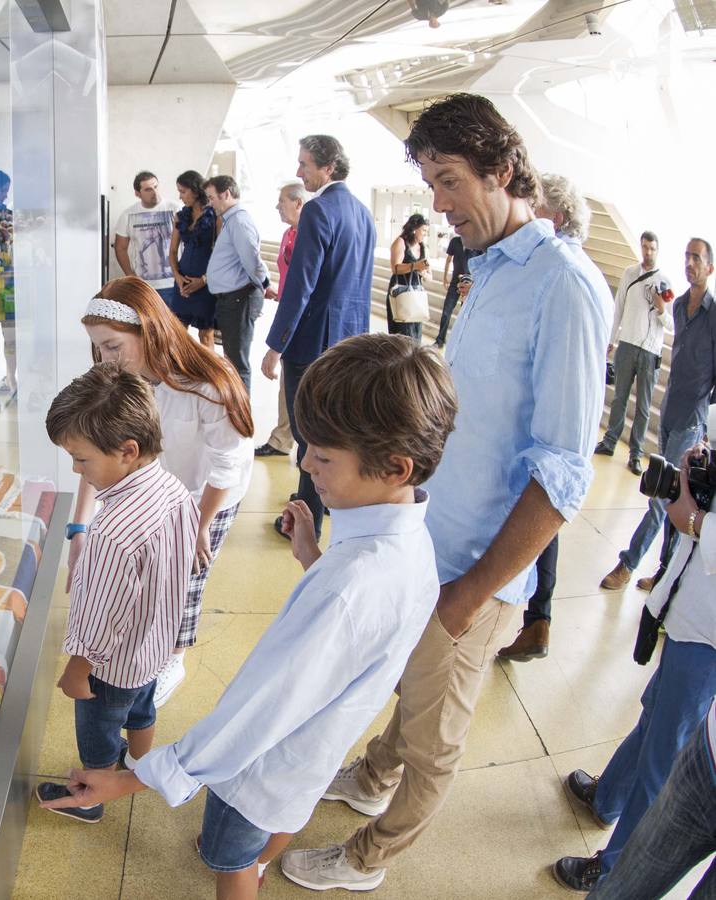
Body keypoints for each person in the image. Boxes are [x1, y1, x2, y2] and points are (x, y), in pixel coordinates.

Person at [280, 93, 611, 892]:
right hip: (431, 543)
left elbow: (564, 470)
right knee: (411, 680)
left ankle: (369, 858)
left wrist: (468, 597)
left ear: (504, 170)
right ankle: (369, 779)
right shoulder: (486, 268)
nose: (438, 203)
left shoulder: (563, 286)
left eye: (451, 180)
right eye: (430, 181)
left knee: (436, 738)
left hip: (476, 569)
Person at [42, 334, 459, 900]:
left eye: (324, 456)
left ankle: (245, 867)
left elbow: (251, 719)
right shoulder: (408, 543)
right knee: (271, 824)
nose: (305, 465)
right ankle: (259, 859)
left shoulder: (350, 588)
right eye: (308, 445)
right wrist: (313, 557)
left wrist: (127, 779)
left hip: (261, 772)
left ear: (394, 467)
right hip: (310, 756)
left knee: (227, 855)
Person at [69, 278, 255, 707]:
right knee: (149, 572)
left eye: (113, 347)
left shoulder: (208, 383)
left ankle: (174, 658)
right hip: (156, 487)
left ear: (149, 330)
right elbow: (92, 452)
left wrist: (200, 527)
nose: (105, 360)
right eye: (99, 348)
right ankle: (143, 644)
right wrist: (79, 527)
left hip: (209, 493)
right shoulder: (118, 381)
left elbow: (226, 466)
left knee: (186, 575)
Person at [35, 362, 198, 824]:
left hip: (108, 670)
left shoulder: (112, 533)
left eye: (81, 459)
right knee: (142, 709)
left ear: (127, 451)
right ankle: (139, 765)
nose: (75, 468)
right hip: (154, 649)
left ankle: (92, 794)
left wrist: (76, 671)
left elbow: (101, 618)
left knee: (99, 731)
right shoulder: (172, 489)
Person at [553, 445, 716, 892]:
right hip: (690, 615)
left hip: (709, 636)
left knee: (665, 755)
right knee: (653, 718)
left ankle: (613, 867)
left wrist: (698, 522)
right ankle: (609, 797)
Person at [499, 172, 604, 662]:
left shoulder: (563, 276)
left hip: (537, 441)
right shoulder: (562, 272)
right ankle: (537, 616)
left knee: (540, 515)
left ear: (554, 218)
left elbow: (562, 466)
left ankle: (536, 616)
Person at [261, 135, 376, 541]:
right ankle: (325, 503)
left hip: (311, 343)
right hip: (349, 339)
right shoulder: (362, 213)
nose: (299, 172)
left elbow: (300, 286)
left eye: (304, 164)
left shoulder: (318, 211)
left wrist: (276, 345)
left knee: (309, 430)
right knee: (337, 428)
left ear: (327, 168)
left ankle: (309, 515)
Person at [601, 238, 716, 592]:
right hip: (668, 413)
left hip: (691, 421)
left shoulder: (714, 315)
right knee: (674, 500)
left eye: (697, 258)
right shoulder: (679, 306)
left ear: (710, 267)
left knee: (662, 495)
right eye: (686, 256)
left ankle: (628, 562)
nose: (690, 263)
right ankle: (666, 574)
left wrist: (708, 429)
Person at [587, 697, 716, 899]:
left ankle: (605, 861)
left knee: (658, 761)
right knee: (619, 890)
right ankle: (605, 803)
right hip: (708, 760)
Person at [596, 231, 671, 475]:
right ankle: (609, 441)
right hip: (627, 344)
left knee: (643, 406)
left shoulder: (665, 282)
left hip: (650, 350)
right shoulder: (629, 273)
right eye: (644, 247)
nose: (647, 252)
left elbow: (670, 324)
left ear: (657, 250)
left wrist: (660, 309)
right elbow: (618, 308)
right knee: (619, 397)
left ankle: (636, 455)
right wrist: (611, 339)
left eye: (652, 248)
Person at [256, 182, 309, 459]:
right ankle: (282, 438)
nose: (277, 207)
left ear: (298, 203)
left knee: (295, 380)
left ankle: (292, 440)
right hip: (287, 309)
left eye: (281, 202)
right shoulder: (290, 233)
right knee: (288, 381)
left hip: (300, 316)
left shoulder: (308, 235)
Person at [205, 175, 269, 397]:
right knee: (231, 358)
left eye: (212, 197)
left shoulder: (239, 220)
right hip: (231, 298)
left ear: (226, 194)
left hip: (239, 298)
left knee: (237, 362)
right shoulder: (232, 220)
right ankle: (235, 408)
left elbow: (252, 259)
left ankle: (240, 418)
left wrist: (264, 284)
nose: (210, 202)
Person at [167, 170, 218, 346]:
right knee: (177, 333)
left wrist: (204, 280)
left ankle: (209, 373)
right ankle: (181, 372)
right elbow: (172, 251)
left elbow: (222, 254)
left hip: (206, 282)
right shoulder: (180, 216)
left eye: (183, 191)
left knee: (206, 335)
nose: (180, 197)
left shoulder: (215, 215)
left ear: (195, 191)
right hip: (183, 281)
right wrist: (178, 277)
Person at [113, 171, 179, 302]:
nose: (155, 192)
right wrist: (130, 276)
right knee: (146, 323)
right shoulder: (128, 214)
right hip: (144, 286)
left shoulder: (176, 209)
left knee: (176, 322)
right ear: (137, 194)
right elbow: (120, 247)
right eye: (148, 189)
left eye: (156, 187)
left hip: (174, 283)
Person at [386, 213, 430, 343]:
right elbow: (395, 268)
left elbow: (429, 275)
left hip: (416, 292)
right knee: (402, 333)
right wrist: (415, 266)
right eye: (423, 230)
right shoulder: (400, 242)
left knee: (415, 334)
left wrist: (424, 272)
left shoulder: (423, 247)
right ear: (414, 229)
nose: (425, 234)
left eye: (427, 231)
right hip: (401, 290)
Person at [435, 233, 471, 348]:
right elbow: (448, 259)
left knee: (465, 314)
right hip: (455, 281)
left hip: (469, 283)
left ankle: (462, 343)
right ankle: (440, 340)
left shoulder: (475, 242)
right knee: (446, 311)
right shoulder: (455, 241)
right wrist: (445, 277)